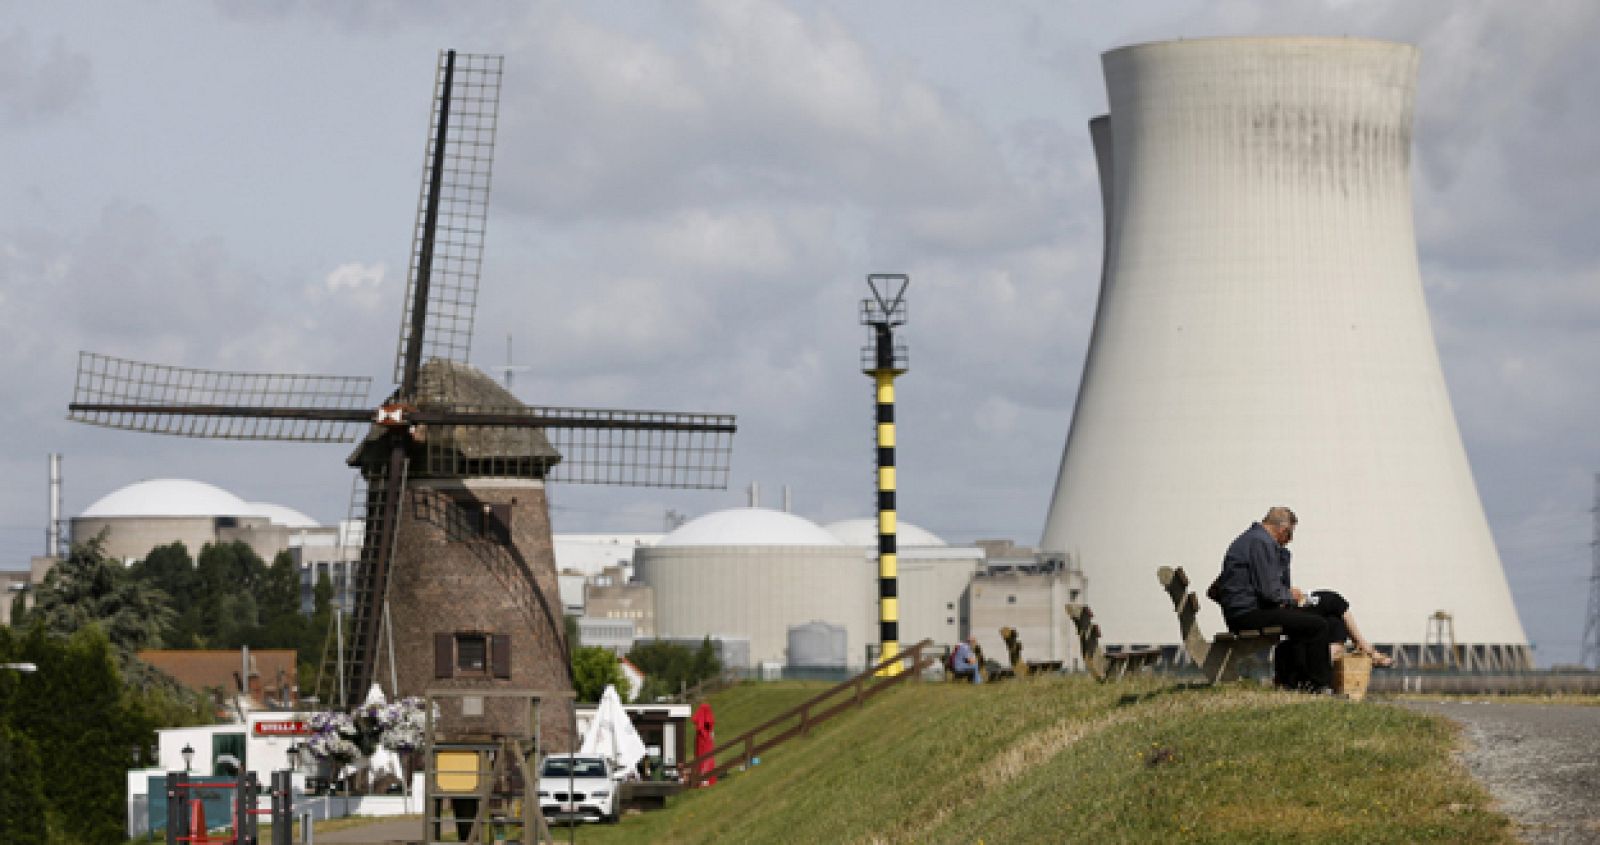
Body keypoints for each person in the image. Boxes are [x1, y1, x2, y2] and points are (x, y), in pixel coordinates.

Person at [1213, 507, 1333, 692]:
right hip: (1247, 614)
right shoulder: (1260, 542)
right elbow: (1270, 592)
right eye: (1290, 534)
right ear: (1283, 530)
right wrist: (1291, 596)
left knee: (1306, 621)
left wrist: (1284, 558)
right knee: (1318, 625)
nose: (1290, 540)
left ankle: (1293, 682)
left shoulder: (1254, 539)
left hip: (1245, 610)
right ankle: (1319, 685)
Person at [1301, 590, 1394, 668]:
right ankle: (1368, 650)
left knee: (1336, 621)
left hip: (1301, 602)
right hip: (1294, 605)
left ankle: (1365, 648)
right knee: (1335, 602)